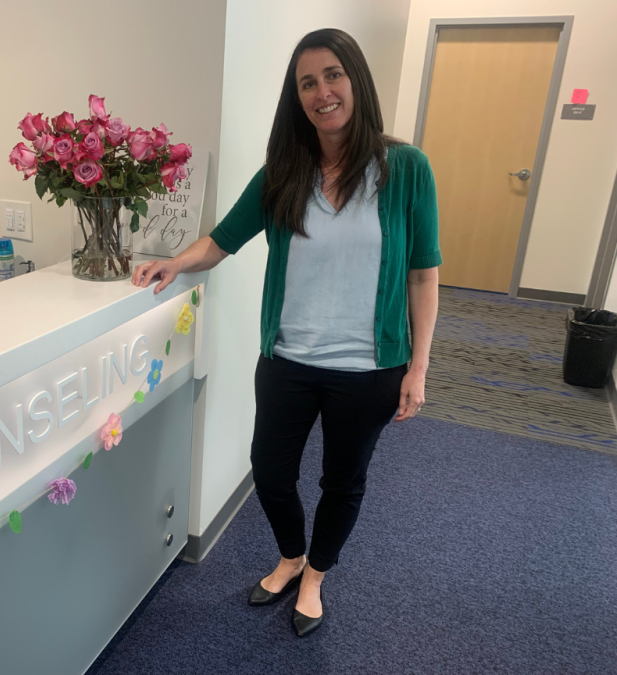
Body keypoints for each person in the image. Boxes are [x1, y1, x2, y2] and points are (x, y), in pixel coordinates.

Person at [132, 28, 441, 638]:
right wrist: (173, 261)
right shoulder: (285, 172)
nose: (322, 92)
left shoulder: (405, 169)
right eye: (307, 83)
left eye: (333, 76)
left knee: (342, 481)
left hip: (370, 368)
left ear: (356, 80)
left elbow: (423, 276)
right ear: (296, 96)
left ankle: (316, 576)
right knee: (270, 471)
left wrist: (419, 367)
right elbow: (220, 241)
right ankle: (290, 556)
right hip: (288, 360)